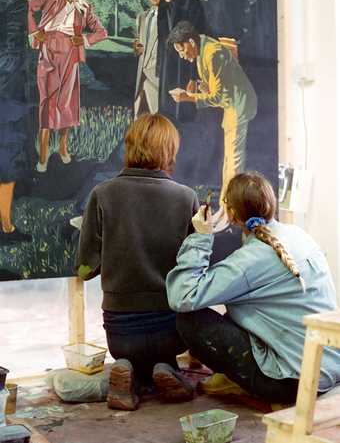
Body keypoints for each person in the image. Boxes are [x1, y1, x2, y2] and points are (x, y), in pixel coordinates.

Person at [166, 171, 340, 404]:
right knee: (238, 311)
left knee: (190, 320)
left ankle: (248, 385)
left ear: (232, 214)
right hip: (329, 369)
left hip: (295, 383)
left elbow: (183, 296)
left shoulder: (250, 260)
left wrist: (201, 236)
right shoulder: (299, 235)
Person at [76, 113, 199, 410]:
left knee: (128, 356)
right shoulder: (186, 197)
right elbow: (197, 269)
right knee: (167, 357)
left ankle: (128, 372)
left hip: (121, 331)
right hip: (170, 328)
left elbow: (85, 269)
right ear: (170, 150)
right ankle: (164, 370)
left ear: (129, 146)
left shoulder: (102, 194)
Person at [28, 0, 107, 172]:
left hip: (71, 54)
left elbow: (102, 32)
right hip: (49, 51)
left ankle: (63, 149)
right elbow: (28, 7)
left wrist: (85, 40)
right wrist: (35, 31)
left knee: (67, 102)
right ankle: (43, 156)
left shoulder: (84, 6)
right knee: (47, 100)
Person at [168, 21, 258, 203]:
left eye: (181, 50)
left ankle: (232, 207)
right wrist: (198, 89)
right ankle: (227, 204)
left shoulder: (213, 54)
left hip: (238, 105)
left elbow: (219, 98)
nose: (182, 56)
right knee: (229, 159)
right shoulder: (203, 48)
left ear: (191, 43)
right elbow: (216, 86)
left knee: (234, 160)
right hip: (232, 105)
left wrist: (188, 97)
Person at [0, 0, 32, 244]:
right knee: (7, 159)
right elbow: (12, 53)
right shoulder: (15, 3)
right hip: (6, 95)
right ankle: (6, 226)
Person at [155, 0, 205, 122]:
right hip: (167, 61)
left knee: (185, 103)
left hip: (185, 61)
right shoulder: (163, 6)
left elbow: (197, 43)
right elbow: (161, 38)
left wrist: (194, 76)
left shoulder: (192, 5)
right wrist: (159, 66)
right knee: (167, 104)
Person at [133, 0, 161, 118]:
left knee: (157, 118)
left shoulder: (168, 18)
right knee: (140, 115)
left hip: (157, 76)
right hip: (142, 75)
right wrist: (136, 46)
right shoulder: (142, 17)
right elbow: (139, 40)